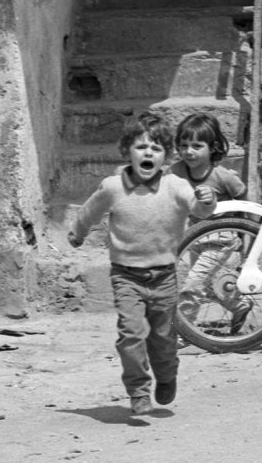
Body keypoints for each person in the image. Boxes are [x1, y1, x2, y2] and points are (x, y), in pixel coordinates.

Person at [67, 112, 216, 416]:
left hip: (164, 277)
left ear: (165, 157)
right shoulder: (113, 187)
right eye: (141, 147)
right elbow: (89, 211)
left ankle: (167, 374)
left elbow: (200, 211)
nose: (148, 153)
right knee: (131, 334)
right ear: (127, 151)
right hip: (126, 276)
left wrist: (207, 199)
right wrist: (77, 233)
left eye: (156, 148)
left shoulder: (176, 186)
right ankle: (137, 389)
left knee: (163, 339)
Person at [168, 113, 251, 332]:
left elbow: (245, 202)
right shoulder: (176, 172)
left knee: (192, 285)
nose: (189, 151)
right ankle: (240, 306)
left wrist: (245, 237)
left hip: (221, 240)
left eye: (196, 146)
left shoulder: (223, 176)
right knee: (210, 287)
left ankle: (181, 332)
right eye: (184, 145)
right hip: (195, 237)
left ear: (212, 147)